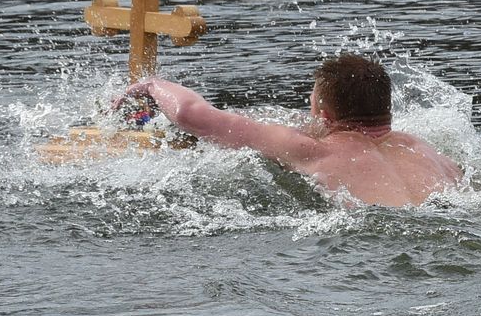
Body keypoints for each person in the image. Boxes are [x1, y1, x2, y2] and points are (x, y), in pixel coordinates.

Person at [123, 54, 462, 206]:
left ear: (324, 113)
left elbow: (189, 113)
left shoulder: (312, 149)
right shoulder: (431, 152)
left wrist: (152, 85)